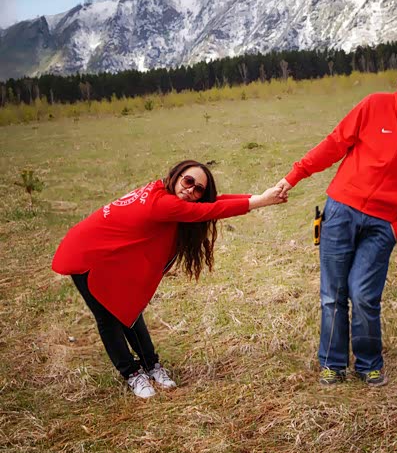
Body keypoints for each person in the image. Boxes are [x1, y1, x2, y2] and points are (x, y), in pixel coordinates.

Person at [275, 55, 397, 387]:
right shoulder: (374, 105)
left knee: (364, 296)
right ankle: (332, 364)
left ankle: (369, 363)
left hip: (382, 226)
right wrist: (293, 177)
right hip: (340, 211)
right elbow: (334, 144)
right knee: (333, 294)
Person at [52, 160, 287, 398]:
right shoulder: (163, 203)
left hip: (107, 253)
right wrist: (261, 201)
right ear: (176, 175)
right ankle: (131, 373)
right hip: (85, 253)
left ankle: (151, 364)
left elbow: (213, 201)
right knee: (108, 318)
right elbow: (207, 210)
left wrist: (258, 196)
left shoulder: (163, 190)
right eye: (188, 181)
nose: (190, 189)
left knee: (129, 307)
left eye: (198, 189)